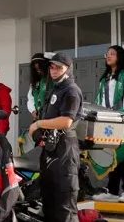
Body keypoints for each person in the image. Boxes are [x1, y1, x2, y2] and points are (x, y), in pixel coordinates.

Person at [29, 52, 83, 222]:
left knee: (64, 205)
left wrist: (39, 124)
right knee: (49, 202)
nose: (53, 70)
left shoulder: (72, 90)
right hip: (50, 150)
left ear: (68, 69)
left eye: (58, 67)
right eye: (52, 66)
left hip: (65, 150)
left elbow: (66, 121)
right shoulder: (54, 89)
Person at [92, 46, 124, 203]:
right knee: (112, 156)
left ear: (120, 56)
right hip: (108, 123)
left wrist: (122, 117)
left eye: (112, 53)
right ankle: (112, 191)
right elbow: (99, 102)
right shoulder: (104, 79)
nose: (108, 56)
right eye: (107, 54)